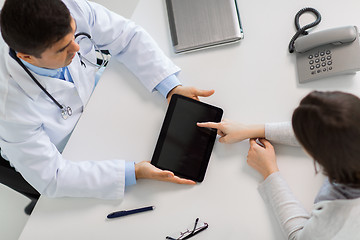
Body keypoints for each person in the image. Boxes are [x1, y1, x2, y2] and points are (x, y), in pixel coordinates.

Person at [0, 0, 215, 209]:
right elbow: (53, 176)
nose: (76, 46)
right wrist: (133, 173)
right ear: (26, 57)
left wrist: (170, 87)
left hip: (103, 99)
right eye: (63, 48)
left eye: (75, 34)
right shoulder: (10, 109)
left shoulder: (70, 8)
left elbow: (126, 36)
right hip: (70, 146)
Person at [198, 91, 360, 240]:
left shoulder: (342, 214)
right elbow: (331, 130)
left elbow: (299, 236)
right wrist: (250, 130)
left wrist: (269, 172)